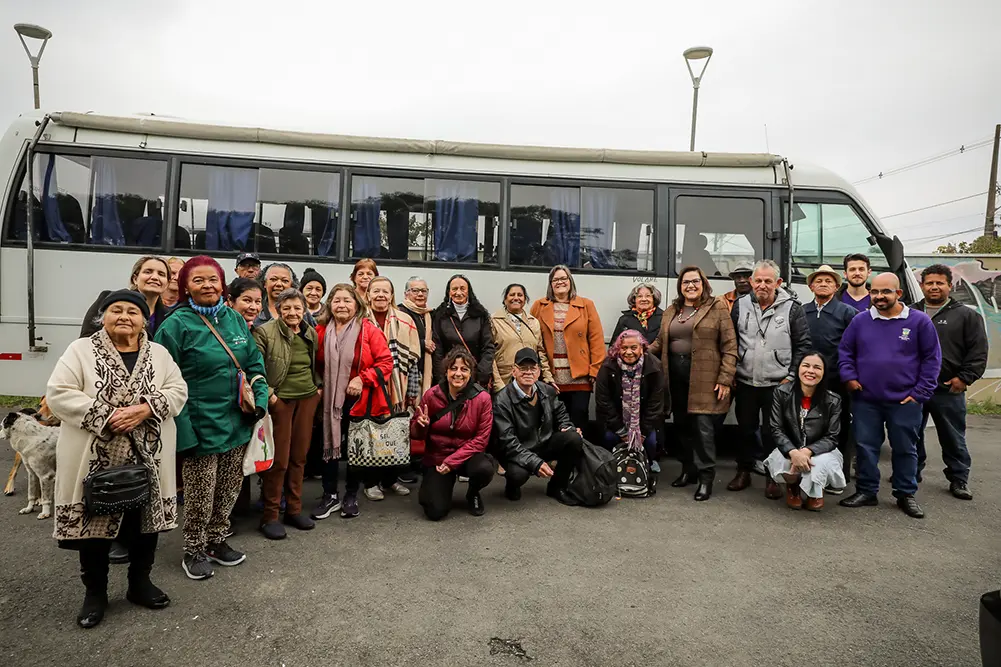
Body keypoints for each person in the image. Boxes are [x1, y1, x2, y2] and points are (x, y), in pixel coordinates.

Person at [47, 290, 188, 628]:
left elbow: (178, 389)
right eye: (116, 310)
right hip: (94, 456)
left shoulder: (158, 353)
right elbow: (59, 393)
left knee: (144, 523)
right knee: (94, 526)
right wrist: (108, 415)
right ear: (102, 316)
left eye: (133, 312)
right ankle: (94, 593)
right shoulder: (80, 350)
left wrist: (144, 409)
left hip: (148, 457)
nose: (125, 316)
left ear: (144, 320)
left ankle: (140, 584)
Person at [154, 256, 269, 579]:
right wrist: (184, 434)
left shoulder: (233, 319)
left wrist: (259, 404)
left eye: (212, 280)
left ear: (222, 284)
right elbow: (163, 381)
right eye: (198, 280)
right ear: (186, 286)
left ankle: (217, 540)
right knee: (200, 492)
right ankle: (193, 548)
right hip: (198, 425)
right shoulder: (176, 326)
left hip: (237, 422)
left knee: (230, 487)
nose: (207, 286)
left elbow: (254, 365)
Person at [838, 273, 942, 519]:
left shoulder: (919, 322)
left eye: (885, 292)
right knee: (865, 447)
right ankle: (866, 491)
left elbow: (932, 359)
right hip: (866, 399)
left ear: (899, 294)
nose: (879, 296)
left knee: (905, 448)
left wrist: (920, 393)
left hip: (905, 400)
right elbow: (845, 351)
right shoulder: (860, 321)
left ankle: (905, 493)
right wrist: (849, 378)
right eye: (874, 292)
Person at [649, 265, 737, 501]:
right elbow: (659, 342)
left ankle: (706, 478)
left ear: (703, 283)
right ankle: (688, 470)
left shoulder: (717, 307)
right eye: (686, 282)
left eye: (695, 281)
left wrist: (725, 378)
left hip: (705, 378)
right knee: (682, 427)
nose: (690, 285)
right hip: (675, 377)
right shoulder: (672, 310)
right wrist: (635, 353)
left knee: (703, 430)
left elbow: (730, 346)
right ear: (680, 286)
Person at [311, 283, 394, 520]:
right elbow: (313, 364)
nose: (342, 305)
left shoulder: (368, 330)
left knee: (354, 450)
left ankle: (350, 495)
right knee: (329, 446)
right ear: (330, 305)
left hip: (359, 401)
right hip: (328, 402)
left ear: (357, 305)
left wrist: (362, 378)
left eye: (347, 300)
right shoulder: (319, 330)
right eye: (337, 300)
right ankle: (330, 495)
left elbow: (386, 362)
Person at [729, 259, 812, 492]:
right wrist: (732, 370)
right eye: (758, 280)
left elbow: (803, 345)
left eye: (768, 281)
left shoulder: (793, 308)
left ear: (778, 283)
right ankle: (743, 471)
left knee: (772, 433)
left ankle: (772, 476)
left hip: (778, 383)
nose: (762, 285)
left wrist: (792, 375)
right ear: (752, 282)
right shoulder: (740, 305)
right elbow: (731, 340)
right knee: (745, 429)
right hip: (746, 381)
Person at [252, 288, 322, 540]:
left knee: (299, 457)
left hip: (307, 399)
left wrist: (318, 391)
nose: (293, 313)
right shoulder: (265, 332)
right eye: (287, 308)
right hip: (280, 402)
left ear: (304, 310)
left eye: (297, 308)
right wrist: (271, 396)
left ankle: (294, 510)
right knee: (279, 460)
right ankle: (270, 516)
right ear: (279, 309)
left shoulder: (309, 332)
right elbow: (254, 367)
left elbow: (314, 365)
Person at [913, 264, 987, 500]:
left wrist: (964, 379)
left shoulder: (966, 315)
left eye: (939, 283)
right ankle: (911, 473)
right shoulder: (911, 312)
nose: (934, 287)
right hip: (914, 387)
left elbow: (978, 351)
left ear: (949, 285)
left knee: (952, 436)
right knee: (911, 433)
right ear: (922, 286)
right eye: (929, 283)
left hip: (947, 388)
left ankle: (959, 479)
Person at [412, 348, 494, 520]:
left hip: (466, 456)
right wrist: (421, 426)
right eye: (453, 368)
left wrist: (452, 462)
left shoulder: (482, 398)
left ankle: (473, 493)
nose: (458, 373)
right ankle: (436, 488)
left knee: (484, 469)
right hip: (437, 458)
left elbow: (481, 440)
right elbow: (416, 435)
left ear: (471, 373)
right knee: (434, 512)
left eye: (464, 369)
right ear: (446, 371)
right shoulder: (432, 395)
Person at [493, 347, 583, 505]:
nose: (528, 372)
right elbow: (508, 442)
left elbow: (560, 412)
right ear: (514, 371)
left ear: (539, 371)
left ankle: (557, 486)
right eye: (522, 368)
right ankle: (511, 486)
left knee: (573, 438)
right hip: (517, 449)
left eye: (532, 368)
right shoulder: (502, 400)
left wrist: (566, 426)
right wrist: (535, 463)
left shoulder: (547, 390)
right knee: (517, 475)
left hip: (542, 442)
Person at [764, 352, 846, 511]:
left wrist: (808, 451)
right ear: (798, 369)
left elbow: (832, 437)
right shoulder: (782, 392)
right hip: (790, 447)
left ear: (823, 373)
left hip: (820, 450)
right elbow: (776, 428)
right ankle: (793, 486)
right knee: (783, 462)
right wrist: (793, 452)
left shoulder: (833, 400)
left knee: (821, 462)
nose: (811, 371)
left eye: (817, 367)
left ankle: (815, 491)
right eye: (806, 366)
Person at [363, 276, 420, 500]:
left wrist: (412, 392)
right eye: (375, 291)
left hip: (398, 387)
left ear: (392, 295)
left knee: (395, 434)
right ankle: (370, 482)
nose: (380, 295)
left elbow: (413, 359)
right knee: (371, 434)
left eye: (385, 291)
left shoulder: (405, 320)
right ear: (367, 295)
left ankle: (391, 479)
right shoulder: (359, 320)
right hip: (370, 387)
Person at [802, 264, 858, 488]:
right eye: (818, 281)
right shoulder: (801, 311)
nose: (823, 284)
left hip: (836, 380)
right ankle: (809, 474)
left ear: (836, 286)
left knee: (839, 427)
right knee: (808, 426)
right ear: (811, 286)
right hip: (807, 380)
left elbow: (855, 347)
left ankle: (838, 476)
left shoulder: (847, 313)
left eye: (828, 281)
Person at [531, 265, 606, 430]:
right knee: (552, 421)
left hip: (579, 377)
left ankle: (579, 453)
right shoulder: (539, 306)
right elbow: (531, 339)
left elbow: (596, 340)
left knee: (578, 419)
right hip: (550, 378)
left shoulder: (586, 305)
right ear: (550, 284)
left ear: (570, 281)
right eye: (555, 279)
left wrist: (595, 370)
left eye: (563, 278)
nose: (560, 282)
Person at [595, 330, 665, 470]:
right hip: (616, 421)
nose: (628, 352)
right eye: (624, 348)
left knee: (650, 443)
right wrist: (621, 431)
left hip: (643, 422)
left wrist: (643, 432)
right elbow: (603, 401)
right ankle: (613, 467)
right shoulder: (608, 366)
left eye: (633, 348)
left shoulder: (654, 367)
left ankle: (647, 463)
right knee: (609, 439)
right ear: (618, 349)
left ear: (642, 348)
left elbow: (655, 403)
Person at [397, 276, 435, 484]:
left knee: (419, 418)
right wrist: (422, 343)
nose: (420, 294)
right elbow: (402, 340)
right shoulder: (401, 312)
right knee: (404, 419)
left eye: (423, 291)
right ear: (406, 294)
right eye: (415, 290)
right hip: (406, 375)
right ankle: (403, 465)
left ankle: (416, 460)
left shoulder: (428, 315)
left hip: (423, 374)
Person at [81, 256, 173, 338]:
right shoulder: (108, 300)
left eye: (161, 274)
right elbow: (86, 339)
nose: (154, 277)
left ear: (167, 283)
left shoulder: (171, 317)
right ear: (135, 279)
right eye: (148, 272)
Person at [431, 274, 495, 387]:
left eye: (462, 288)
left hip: (475, 377)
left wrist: (481, 375)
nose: (458, 292)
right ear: (449, 292)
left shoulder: (481, 315)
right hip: (449, 377)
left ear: (468, 291)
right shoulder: (440, 316)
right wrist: (442, 378)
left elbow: (488, 347)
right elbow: (438, 351)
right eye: (454, 289)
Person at [491, 283, 555, 390]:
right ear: (505, 299)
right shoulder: (494, 321)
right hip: (505, 381)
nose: (516, 298)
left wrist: (548, 377)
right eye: (512, 295)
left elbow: (541, 353)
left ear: (525, 300)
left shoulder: (533, 322)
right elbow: (490, 355)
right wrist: (498, 384)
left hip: (529, 382)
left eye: (520, 295)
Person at [256, 263, 316, 328]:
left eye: (285, 281)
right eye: (273, 279)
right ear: (265, 283)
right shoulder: (256, 311)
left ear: (291, 285)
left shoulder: (302, 312)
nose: (279, 284)